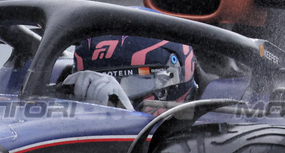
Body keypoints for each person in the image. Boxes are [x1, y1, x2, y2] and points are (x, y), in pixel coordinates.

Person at [63, 35, 198, 112]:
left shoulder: (211, 125)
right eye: (92, 85)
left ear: (172, 77)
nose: (107, 99)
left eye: (131, 84)